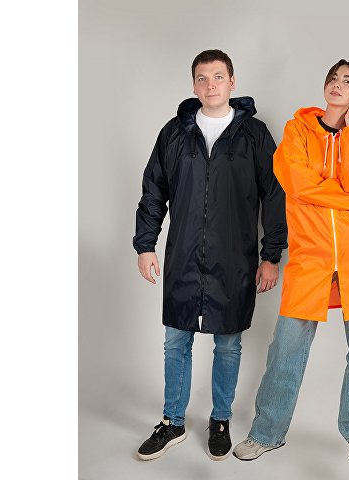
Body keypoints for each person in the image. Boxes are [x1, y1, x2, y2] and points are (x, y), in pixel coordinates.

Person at [132, 49, 287, 461]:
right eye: (202, 78)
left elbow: (275, 195)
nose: (210, 84)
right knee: (175, 341)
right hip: (183, 255)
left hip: (234, 259)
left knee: (228, 343)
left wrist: (271, 255)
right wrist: (145, 245)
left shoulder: (254, 135)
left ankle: (220, 420)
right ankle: (172, 422)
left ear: (232, 82)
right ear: (194, 85)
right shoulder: (174, 133)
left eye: (218, 76)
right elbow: (153, 190)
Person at [232, 59, 349, 462]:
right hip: (311, 255)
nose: (337, 84)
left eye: (347, 82)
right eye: (333, 78)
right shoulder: (297, 130)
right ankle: (267, 432)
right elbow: (299, 186)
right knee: (286, 346)